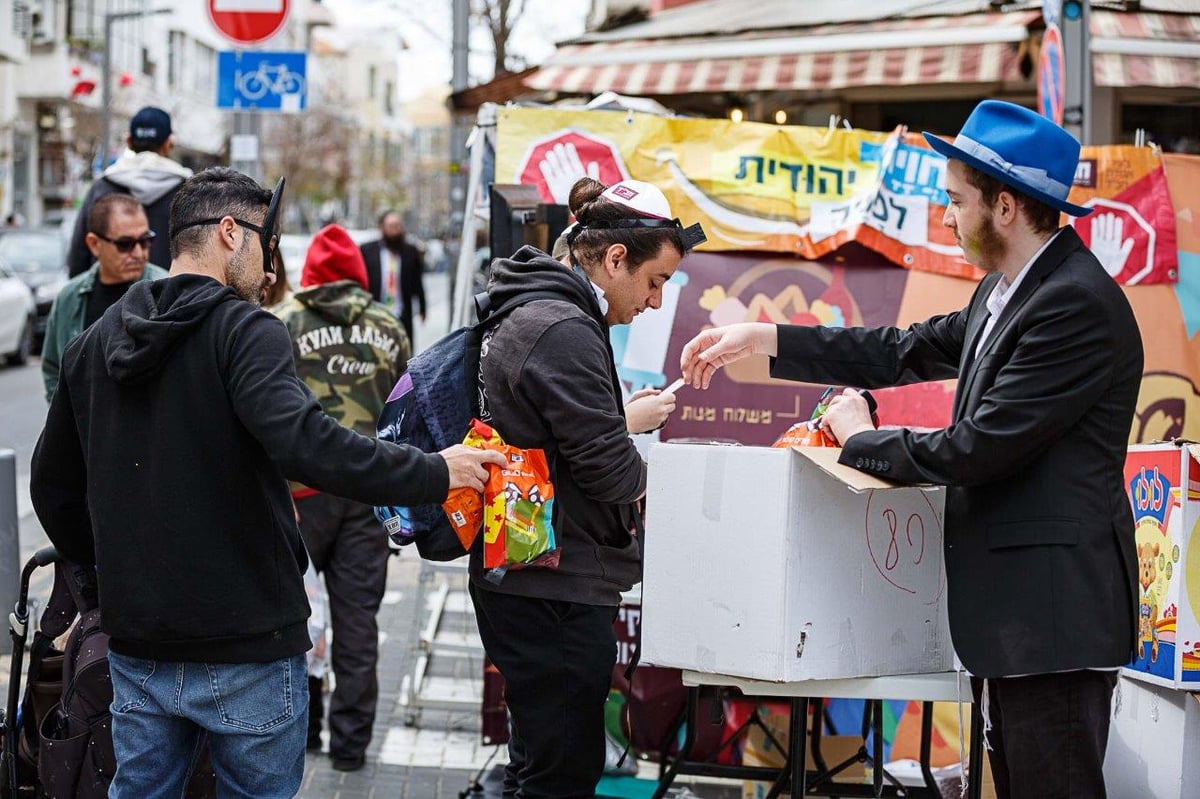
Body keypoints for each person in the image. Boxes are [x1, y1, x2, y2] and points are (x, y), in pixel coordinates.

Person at [680, 100, 1143, 799]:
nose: (947, 216)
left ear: (1007, 206)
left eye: (956, 200)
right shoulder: (1006, 291)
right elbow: (903, 348)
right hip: (1015, 628)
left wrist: (859, 438)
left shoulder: (1075, 304)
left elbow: (978, 448)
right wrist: (768, 339)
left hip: (1054, 627)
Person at [30, 167, 505, 798]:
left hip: (140, 639)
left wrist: (100, 583)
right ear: (230, 233)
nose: (271, 263)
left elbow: (52, 486)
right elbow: (308, 444)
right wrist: (436, 470)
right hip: (246, 642)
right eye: (267, 242)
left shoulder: (94, 343)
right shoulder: (246, 330)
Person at [474, 176, 704, 797]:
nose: (655, 302)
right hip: (553, 585)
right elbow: (612, 473)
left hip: (535, 572)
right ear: (613, 258)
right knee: (561, 773)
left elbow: (560, 441)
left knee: (537, 762)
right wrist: (636, 453)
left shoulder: (541, 309)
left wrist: (614, 426)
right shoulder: (564, 328)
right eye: (655, 282)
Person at [272, 223, 411, 771]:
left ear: (310, 275)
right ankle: (351, 745)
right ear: (358, 273)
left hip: (297, 495)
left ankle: (301, 728)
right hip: (366, 493)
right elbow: (406, 412)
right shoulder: (389, 327)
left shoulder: (280, 323)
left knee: (291, 617)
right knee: (358, 620)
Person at [41, 193, 168, 401]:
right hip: (85, 430)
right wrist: (66, 422)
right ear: (94, 244)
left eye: (145, 241)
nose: (138, 253)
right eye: (125, 244)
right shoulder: (70, 297)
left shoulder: (164, 289)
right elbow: (54, 369)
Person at [66, 106, 191, 277]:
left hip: (111, 300)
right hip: (172, 299)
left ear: (129, 141)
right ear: (169, 143)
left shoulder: (102, 186)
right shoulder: (189, 190)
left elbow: (79, 254)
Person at [360, 210, 426, 347]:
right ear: (382, 228)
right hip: (375, 313)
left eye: (398, 226)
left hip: (402, 314)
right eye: (391, 226)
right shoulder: (367, 251)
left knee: (403, 354)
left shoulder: (410, 251)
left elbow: (418, 282)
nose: (395, 231)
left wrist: (422, 307)